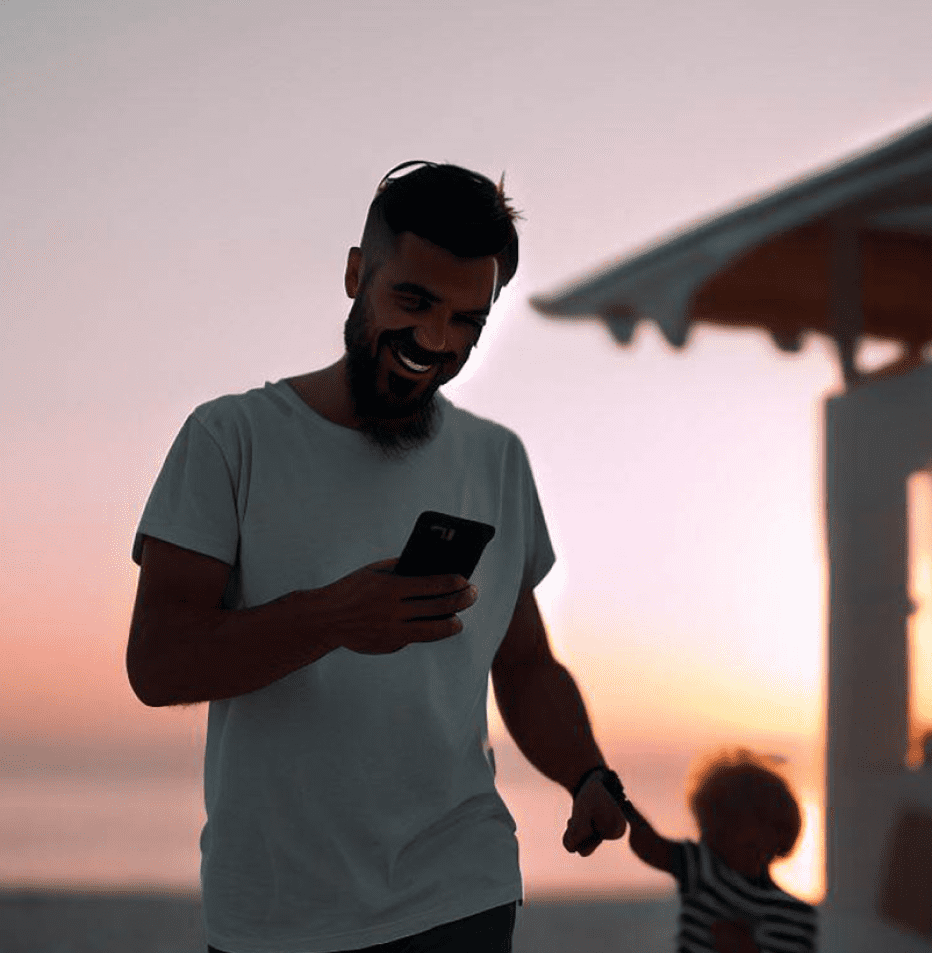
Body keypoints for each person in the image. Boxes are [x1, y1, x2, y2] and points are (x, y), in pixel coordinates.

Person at [126, 161, 627, 953]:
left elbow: (525, 666)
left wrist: (589, 775)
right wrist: (334, 617)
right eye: (414, 302)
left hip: (461, 890)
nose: (435, 341)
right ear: (357, 273)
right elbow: (157, 664)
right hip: (276, 912)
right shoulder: (231, 439)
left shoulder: (495, 459)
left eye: (467, 320)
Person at [622, 747, 817, 953]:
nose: (743, 834)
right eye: (724, 823)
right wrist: (619, 801)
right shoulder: (701, 867)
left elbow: (651, 848)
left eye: (755, 821)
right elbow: (651, 847)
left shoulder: (795, 916)